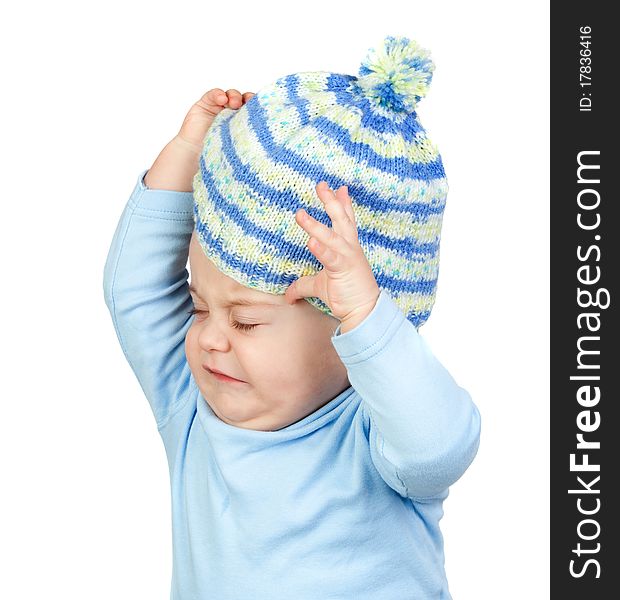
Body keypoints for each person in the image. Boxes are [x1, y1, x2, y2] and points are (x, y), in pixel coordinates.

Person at [103, 34, 481, 599]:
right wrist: (188, 154)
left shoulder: (377, 437)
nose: (208, 338)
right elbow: (135, 293)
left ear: (345, 332)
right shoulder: (196, 409)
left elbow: (441, 446)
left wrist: (370, 317)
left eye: (246, 322)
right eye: (201, 307)